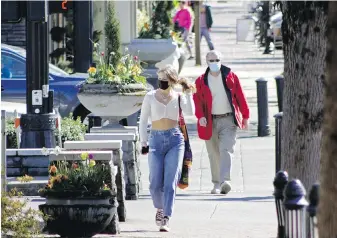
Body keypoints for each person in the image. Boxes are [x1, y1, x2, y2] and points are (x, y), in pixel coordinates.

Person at [139, 65, 195, 232]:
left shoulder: (178, 97)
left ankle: (166, 217)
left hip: (175, 140)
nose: (161, 82)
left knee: (170, 182)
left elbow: (191, 111)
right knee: (155, 183)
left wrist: (189, 93)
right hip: (155, 139)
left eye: (165, 79)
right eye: (159, 79)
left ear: (172, 80)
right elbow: (143, 121)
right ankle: (159, 207)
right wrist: (143, 142)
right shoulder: (150, 96)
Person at [193, 50, 250, 195]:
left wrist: (245, 116)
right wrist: (200, 116)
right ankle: (216, 183)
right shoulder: (200, 81)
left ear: (221, 60)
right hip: (210, 121)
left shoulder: (231, 76)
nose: (214, 63)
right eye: (211, 60)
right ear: (206, 62)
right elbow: (197, 101)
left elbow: (240, 96)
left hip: (228, 119)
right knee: (213, 153)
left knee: (226, 149)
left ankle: (225, 181)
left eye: (216, 60)